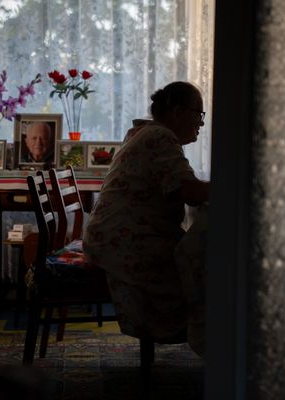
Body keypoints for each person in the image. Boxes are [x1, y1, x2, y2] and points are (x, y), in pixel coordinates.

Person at [83, 81, 210, 356]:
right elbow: (190, 192)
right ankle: (216, 341)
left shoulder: (144, 132)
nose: (201, 123)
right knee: (204, 271)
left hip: (109, 235)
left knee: (198, 260)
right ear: (178, 112)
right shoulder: (160, 138)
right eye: (199, 114)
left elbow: (185, 186)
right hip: (121, 241)